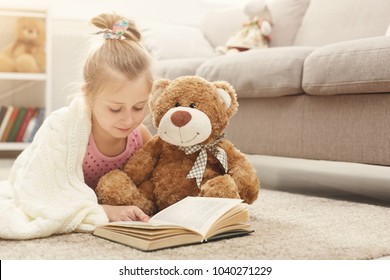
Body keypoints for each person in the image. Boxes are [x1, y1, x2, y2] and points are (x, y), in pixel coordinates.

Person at [0, 13, 153, 240]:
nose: (129, 119)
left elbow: (157, 179)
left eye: (139, 107)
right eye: (115, 109)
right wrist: (103, 211)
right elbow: (42, 190)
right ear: (88, 97)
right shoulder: (64, 128)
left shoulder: (140, 137)